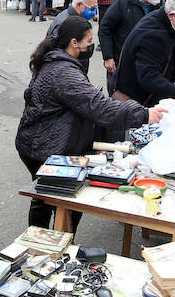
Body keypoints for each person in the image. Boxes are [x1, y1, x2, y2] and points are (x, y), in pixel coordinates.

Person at [16, 15, 164, 226]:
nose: (91, 45)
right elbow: (98, 107)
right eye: (88, 41)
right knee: (57, 199)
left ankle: (47, 239)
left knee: (46, 196)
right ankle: (50, 240)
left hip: (40, 140)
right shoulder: (63, 71)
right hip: (45, 145)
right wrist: (143, 114)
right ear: (74, 43)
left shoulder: (56, 61)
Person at [113, 0, 175, 106]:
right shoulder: (153, 34)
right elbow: (148, 76)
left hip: (142, 97)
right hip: (136, 100)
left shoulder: (162, 21)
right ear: (171, 15)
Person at [99, 0, 169, 86]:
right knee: (118, 91)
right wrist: (108, 57)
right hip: (121, 58)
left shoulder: (159, 6)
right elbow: (106, 29)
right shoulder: (123, 1)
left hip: (147, 59)